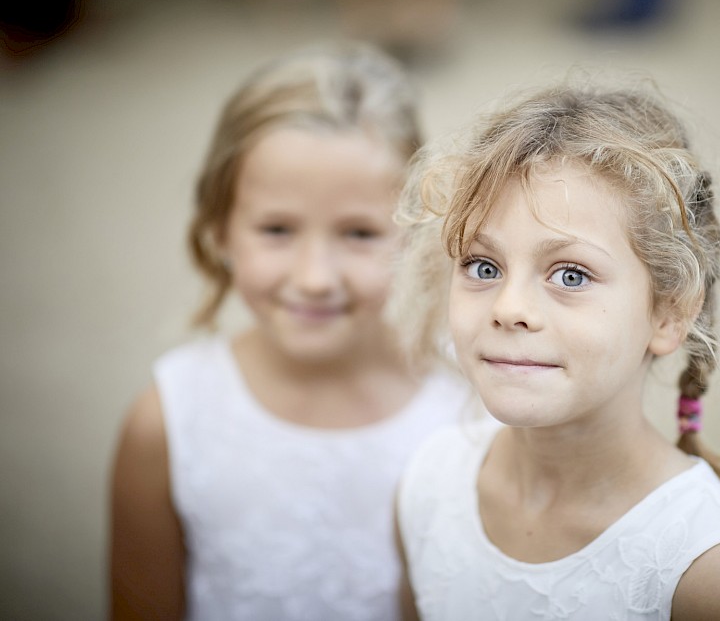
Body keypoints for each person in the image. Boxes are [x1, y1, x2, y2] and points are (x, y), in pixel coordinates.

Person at [390, 78, 720, 620]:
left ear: (670, 312)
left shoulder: (710, 576)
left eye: (571, 275)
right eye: (483, 267)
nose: (509, 308)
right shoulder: (430, 483)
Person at [108, 42, 472, 621]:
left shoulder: (473, 407)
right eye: (277, 230)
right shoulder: (168, 426)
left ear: (415, 234)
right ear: (220, 230)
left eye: (358, 234)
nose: (315, 278)